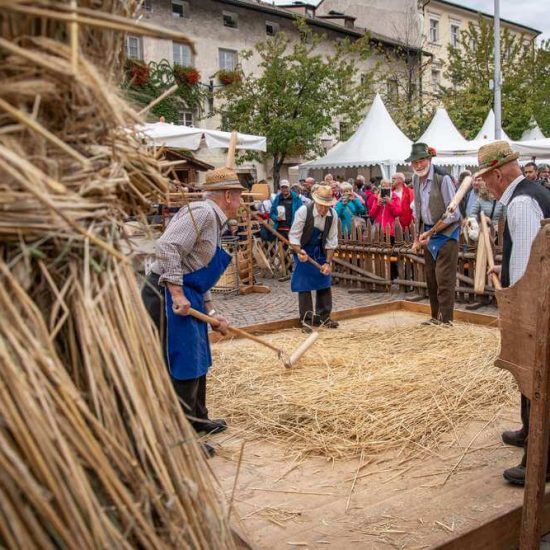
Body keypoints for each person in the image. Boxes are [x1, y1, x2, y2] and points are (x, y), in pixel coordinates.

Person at [141, 167, 244, 456]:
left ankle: (198, 419)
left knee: (199, 358)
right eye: (238, 196)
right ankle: (182, 440)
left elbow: (196, 271)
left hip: (190, 295)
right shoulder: (201, 213)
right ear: (227, 196)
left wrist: (211, 310)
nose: (240, 202)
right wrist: (175, 292)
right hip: (165, 295)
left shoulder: (214, 220)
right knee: (182, 363)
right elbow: (167, 247)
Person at [477, 141, 550, 485]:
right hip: (540, 301)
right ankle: (528, 431)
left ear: (497, 173)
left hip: (536, 308)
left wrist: (512, 298)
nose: (484, 186)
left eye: (485, 179)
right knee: (530, 376)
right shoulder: (533, 194)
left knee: (535, 376)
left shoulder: (521, 204)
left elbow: (527, 272)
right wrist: (502, 270)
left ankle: (540, 460)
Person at [409, 143, 461, 325]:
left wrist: (431, 232)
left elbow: (454, 214)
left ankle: (446, 321)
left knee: (444, 280)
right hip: (428, 235)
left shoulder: (442, 178)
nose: (418, 165)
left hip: (447, 234)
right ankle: (435, 317)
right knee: (431, 280)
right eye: (414, 162)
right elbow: (418, 209)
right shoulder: (415, 179)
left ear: (429, 159)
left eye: (421, 160)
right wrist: (418, 237)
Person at [289, 185, 339, 331]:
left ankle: (323, 318)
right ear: (316, 202)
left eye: (327, 206)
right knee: (303, 284)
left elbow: (331, 241)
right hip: (303, 249)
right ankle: (307, 320)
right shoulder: (304, 212)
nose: (324, 209)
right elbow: (294, 237)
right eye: (321, 206)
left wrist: (328, 262)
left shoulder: (333, 215)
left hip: (321, 250)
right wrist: (299, 252)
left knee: (324, 281)